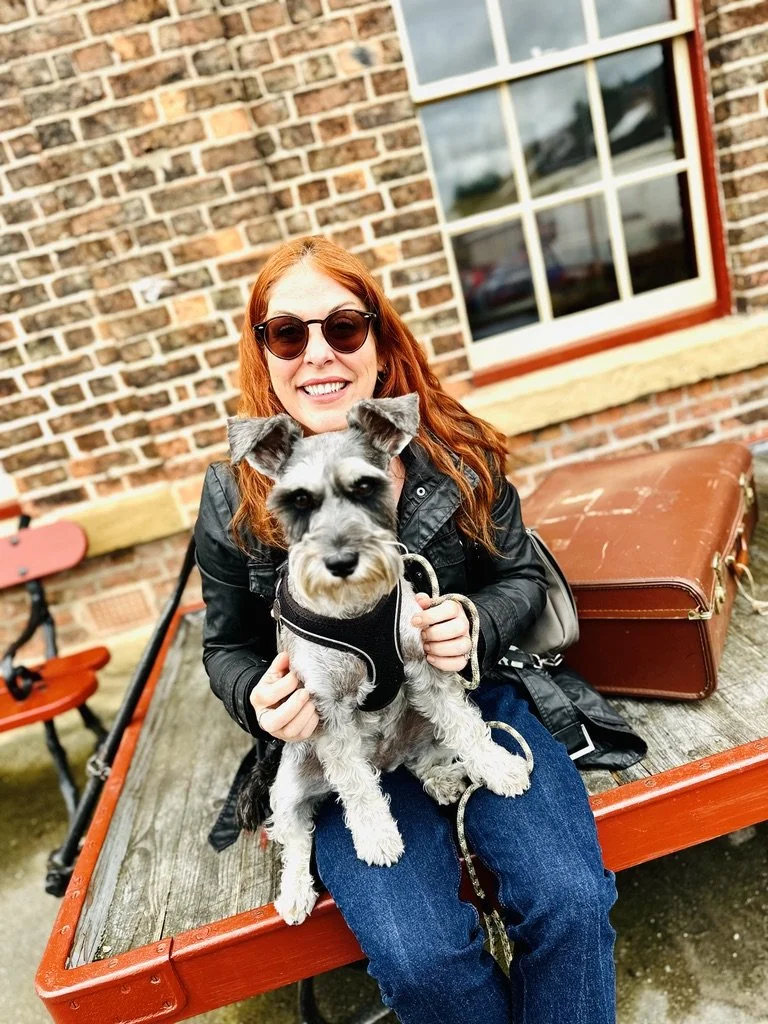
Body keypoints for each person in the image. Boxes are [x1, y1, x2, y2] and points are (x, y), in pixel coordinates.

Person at [194, 235, 617, 1024]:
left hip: (471, 698)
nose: (317, 353)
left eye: (344, 327)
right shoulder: (234, 492)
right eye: (288, 333)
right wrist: (257, 694)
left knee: (568, 898)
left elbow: (522, 578)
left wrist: (475, 620)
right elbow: (225, 646)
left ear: (381, 340)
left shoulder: (452, 449)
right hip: (338, 736)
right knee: (422, 960)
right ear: (263, 351)